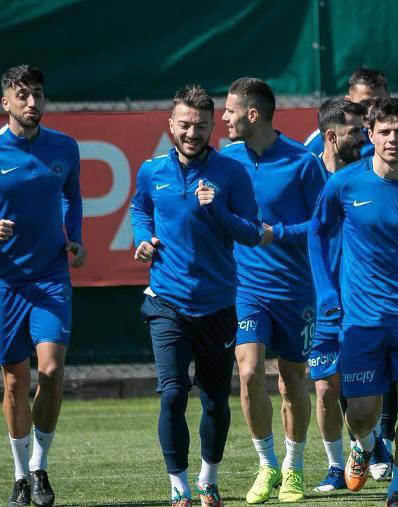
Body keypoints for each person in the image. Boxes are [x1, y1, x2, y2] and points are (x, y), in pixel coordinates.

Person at [309, 97, 398, 507]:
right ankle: (365, 444)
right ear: (370, 135)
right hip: (361, 319)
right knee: (361, 414)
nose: (392, 139)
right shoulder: (344, 184)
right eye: (384, 131)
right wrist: (326, 291)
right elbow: (316, 232)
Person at [131, 84, 267, 507]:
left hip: (218, 305)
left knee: (214, 401)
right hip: (166, 302)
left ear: (212, 128)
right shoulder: (151, 171)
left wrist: (217, 210)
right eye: (185, 125)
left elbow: (252, 232)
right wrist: (142, 239)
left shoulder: (231, 173)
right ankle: (179, 485)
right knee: (173, 393)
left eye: (201, 126)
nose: (192, 133)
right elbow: (140, 209)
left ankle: (209, 478)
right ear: (171, 125)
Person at [220, 77, 325, 504]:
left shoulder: (303, 163)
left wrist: (275, 233)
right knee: (248, 372)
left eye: (229, 110)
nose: (223, 118)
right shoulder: (225, 161)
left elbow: (322, 225)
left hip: (297, 291)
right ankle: (266, 465)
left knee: (291, 380)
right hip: (246, 289)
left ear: (253, 113)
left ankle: (293, 467)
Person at [0, 64, 85, 507]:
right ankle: (18, 475)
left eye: (38, 94)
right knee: (15, 382)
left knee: (50, 371)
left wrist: (76, 238)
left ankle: (38, 467)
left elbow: (73, 196)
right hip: (5, 282)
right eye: (23, 95)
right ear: (6, 102)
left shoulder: (64, 146)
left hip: (51, 276)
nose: (33, 102)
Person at [307, 98, 367, 492]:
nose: (363, 138)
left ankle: (369, 444)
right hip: (320, 299)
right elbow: (305, 229)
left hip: (365, 297)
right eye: (355, 132)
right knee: (326, 387)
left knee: (364, 385)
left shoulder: (371, 171)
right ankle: (334, 466)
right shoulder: (307, 172)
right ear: (331, 136)